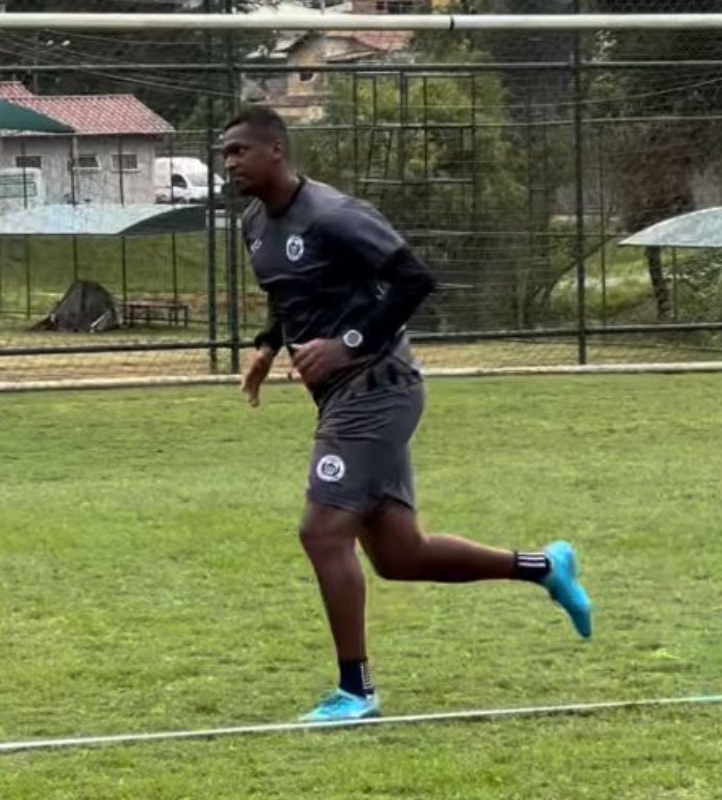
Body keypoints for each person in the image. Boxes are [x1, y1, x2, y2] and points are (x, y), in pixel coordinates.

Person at [223, 106, 592, 723]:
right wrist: (266, 346)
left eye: (239, 151)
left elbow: (414, 280)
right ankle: (545, 566)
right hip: (344, 395)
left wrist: (348, 343)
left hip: (378, 386)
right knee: (400, 556)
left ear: (277, 151)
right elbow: (290, 293)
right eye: (224, 154)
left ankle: (356, 691)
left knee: (322, 533)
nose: (229, 162)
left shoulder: (337, 215)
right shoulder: (254, 223)